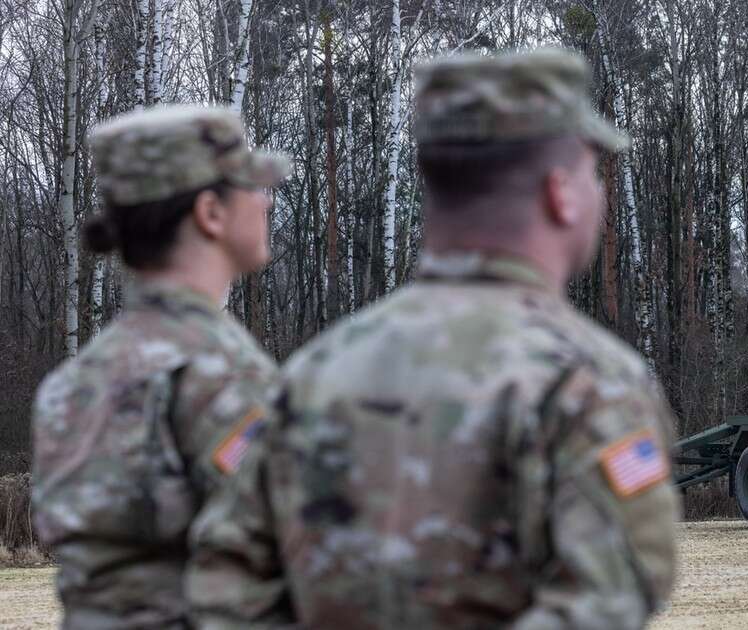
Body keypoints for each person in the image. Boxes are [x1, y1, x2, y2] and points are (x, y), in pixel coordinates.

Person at [187, 47, 680, 629]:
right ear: (561, 193)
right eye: (591, 173)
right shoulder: (586, 381)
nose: (598, 193)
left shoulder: (313, 371)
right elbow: (606, 599)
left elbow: (224, 585)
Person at [32, 105, 290, 629]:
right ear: (210, 213)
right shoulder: (220, 374)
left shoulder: (72, 382)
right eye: (250, 185)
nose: (265, 199)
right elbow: (282, 550)